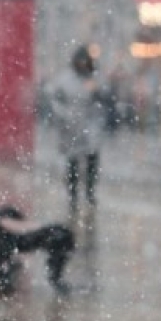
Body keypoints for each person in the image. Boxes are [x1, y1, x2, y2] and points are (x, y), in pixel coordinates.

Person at [46, 45, 109, 214]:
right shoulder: (64, 80)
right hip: (71, 129)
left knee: (91, 162)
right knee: (72, 164)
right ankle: (73, 196)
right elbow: (55, 102)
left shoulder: (95, 79)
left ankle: (90, 193)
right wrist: (65, 117)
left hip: (91, 128)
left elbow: (103, 101)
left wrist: (97, 117)